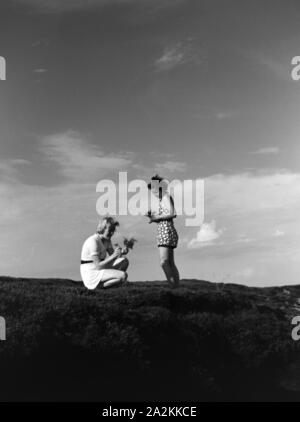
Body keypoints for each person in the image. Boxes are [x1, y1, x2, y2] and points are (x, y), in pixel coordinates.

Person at [147, 175, 180, 288]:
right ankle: (176, 287)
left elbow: (173, 213)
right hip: (167, 229)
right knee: (170, 262)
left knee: (164, 262)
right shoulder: (164, 198)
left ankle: (173, 287)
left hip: (165, 231)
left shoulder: (165, 197)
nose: (154, 193)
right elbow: (167, 216)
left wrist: (157, 218)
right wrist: (154, 218)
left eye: (154, 190)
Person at [80, 216, 129, 290]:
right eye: (110, 230)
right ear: (102, 229)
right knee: (123, 276)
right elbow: (98, 266)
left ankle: (113, 282)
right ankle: (98, 287)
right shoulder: (93, 241)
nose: (112, 233)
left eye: (113, 230)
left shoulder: (107, 241)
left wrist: (122, 252)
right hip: (91, 272)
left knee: (124, 261)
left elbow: (114, 256)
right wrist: (113, 255)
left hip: (101, 268)